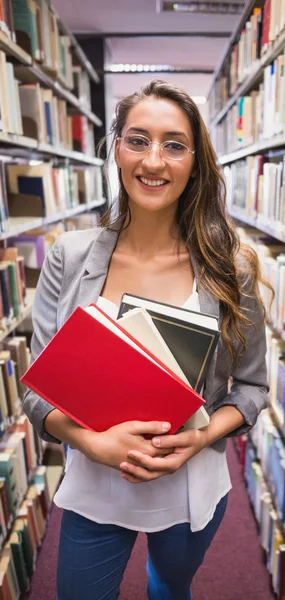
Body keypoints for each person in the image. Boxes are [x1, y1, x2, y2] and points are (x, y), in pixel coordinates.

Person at [23, 79, 270, 600]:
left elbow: (250, 389)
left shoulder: (231, 268)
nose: (154, 161)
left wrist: (200, 438)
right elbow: (38, 388)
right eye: (138, 139)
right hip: (96, 482)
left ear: (196, 163)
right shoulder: (69, 255)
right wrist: (94, 443)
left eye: (174, 145)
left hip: (190, 485)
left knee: (168, 589)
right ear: (116, 148)